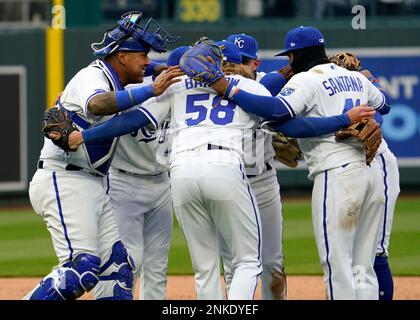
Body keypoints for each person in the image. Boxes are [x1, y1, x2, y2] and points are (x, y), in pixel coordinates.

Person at [65, 38, 377, 300]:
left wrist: (84, 135)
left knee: (205, 269)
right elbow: (290, 120)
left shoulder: (177, 87)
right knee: (246, 262)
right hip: (226, 168)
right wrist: (343, 118)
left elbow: (131, 120)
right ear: (222, 62)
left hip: (181, 173)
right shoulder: (243, 86)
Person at [205, 26, 390, 300]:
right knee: (363, 267)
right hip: (370, 170)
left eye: (290, 56)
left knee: (337, 265)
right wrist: (365, 84)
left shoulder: (305, 80)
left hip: (336, 172)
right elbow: (382, 107)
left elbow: (278, 111)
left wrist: (232, 93)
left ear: (296, 55)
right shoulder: (354, 78)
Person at [25, 11, 181, 300]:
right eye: (142, 54)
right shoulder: (92, 75)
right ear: (121, 56)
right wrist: (151, 89)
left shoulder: (114, 75)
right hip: (64, 177)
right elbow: (97, 105)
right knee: (79, 272)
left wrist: (165, 70)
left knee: (119, 269)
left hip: (93, 183)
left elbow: (143, 70)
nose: (147, 61)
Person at [220, 35, 287, 300]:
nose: (235, 66)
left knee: (273, 262)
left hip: (262, 181)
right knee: (232, 265)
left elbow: (283, 82)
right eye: (229, 61)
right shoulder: (214, 85)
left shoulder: (265, 83)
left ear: (255, 62)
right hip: (228, 180)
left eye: (243, 61)